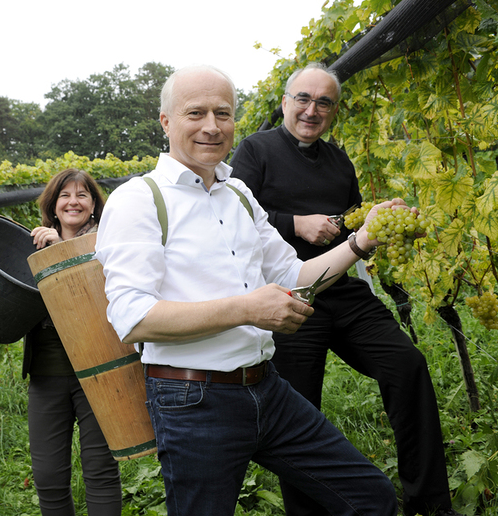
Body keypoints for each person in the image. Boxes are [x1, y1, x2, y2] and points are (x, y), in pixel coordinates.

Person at [95, 64, 401, 516]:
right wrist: (246, 308)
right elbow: (133, 318)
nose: (212, 126)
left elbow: (295, 276)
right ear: (165, 121)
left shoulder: (238, 192)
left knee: (369, 498)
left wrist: (360, 241)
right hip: (192, 400)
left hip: (266, 389)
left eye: (223, 113)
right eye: (195, 113)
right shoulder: (138, 199)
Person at [230, 63, 459, 516]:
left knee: (407, 365)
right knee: (300, 407)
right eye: (303, 99)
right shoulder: (254, 150)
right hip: (289, 294)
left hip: (343, 290)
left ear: (333, 112)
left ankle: (429, 502)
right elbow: (236, 215)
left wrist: (385, 223)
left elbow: (354, 222)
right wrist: (295, 222)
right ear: (285, 102)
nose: (312, 110)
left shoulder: (339, 160)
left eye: (324, 103)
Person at [24, 168, 122, 516]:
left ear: (94, 204)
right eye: (65, 195)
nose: (73, 201)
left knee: (101, 472)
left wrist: (61, 249)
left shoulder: (107, 243)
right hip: (47, 373)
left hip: (100, 371)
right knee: (48, 477)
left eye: (82, 194)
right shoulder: (32, 248)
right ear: (53, 205)